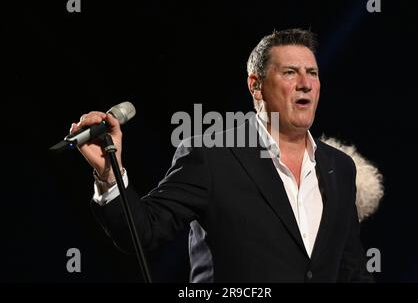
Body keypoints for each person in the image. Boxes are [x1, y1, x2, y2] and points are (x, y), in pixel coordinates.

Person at [72, 28, 373, 282]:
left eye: (312, 73)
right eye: (290, 72)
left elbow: (352, 268)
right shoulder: (213, 156)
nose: (305, 83)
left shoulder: (340, 167)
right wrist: (108, 173)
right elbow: (144, 231)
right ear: (256, 86)